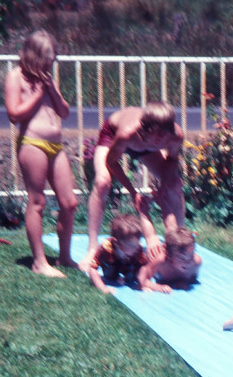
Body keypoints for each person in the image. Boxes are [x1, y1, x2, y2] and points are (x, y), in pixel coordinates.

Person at [4, 30, 79, 277]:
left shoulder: (46, 78)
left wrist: (51, 90)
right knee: (38, 202)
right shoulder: (15, 76)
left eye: (52, 58)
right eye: (47, 58)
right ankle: (39, 262)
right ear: (33, 55)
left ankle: (65, 257)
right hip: (32, 143)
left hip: (55, 146)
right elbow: (14, 114)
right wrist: (38, 94)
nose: (51, 62)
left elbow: (64, 112)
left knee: (69, 203)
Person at [79, 101, 186, 271]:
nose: (160, 140)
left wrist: (164, 186)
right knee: (102, 182)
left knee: (174, 184)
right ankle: (92, 247)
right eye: (156, 135)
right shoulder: (126, 133)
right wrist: (133, 192)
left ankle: (179, 243)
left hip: (144, 147)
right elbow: (111, 162)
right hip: (113, 136)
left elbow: (172, 161)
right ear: (146, 129)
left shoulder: (175, 135)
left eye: (164, 136)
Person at [84, 213, 150, 295]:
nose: (136, 247)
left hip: (129, 263)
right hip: (112, 262)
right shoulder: (106, 248)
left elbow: (144, 267)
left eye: (137, 243)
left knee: (133, 276)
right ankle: (114, 276)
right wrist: (102, 287)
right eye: (131, 245)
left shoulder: (137, 248)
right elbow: (93, 268)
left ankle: (127, 276)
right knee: (110, 275)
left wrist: (141, 284)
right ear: (116, 243)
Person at [137, 227, 202, 292]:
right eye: (182, 259)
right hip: (156, 256)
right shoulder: (161, 262)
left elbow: (192, 280)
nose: (188, 262)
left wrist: (183, 282)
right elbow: (142, 278)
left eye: (191, 256)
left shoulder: (196, 262)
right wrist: (158, 287)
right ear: (169, 257)